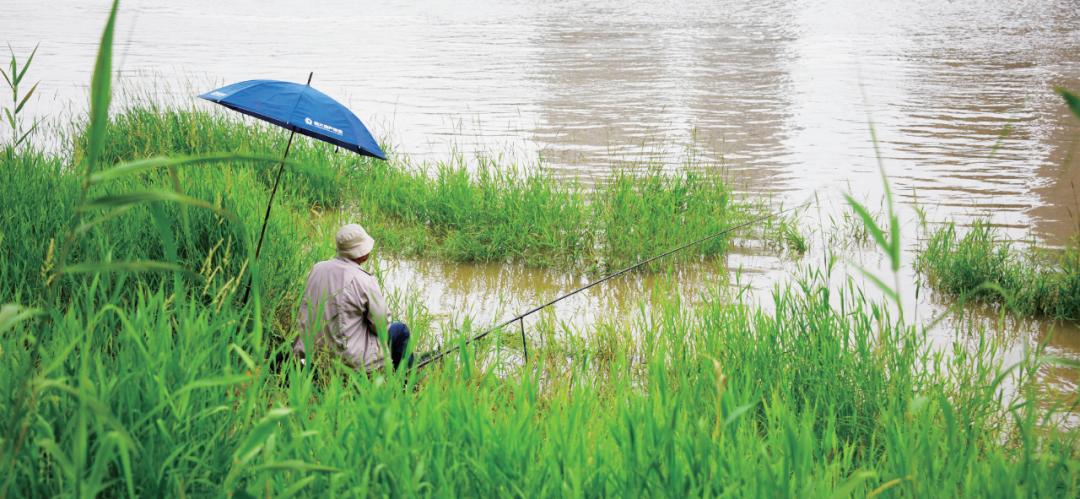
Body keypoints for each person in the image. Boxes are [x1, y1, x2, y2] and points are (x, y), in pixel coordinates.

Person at [293, 223, 412, 371]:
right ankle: (404, 382)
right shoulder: (364, 280)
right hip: (349, 363)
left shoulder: (317, 268)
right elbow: (381, 327)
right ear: (362, 253)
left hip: (311, 356)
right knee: (400, 330)